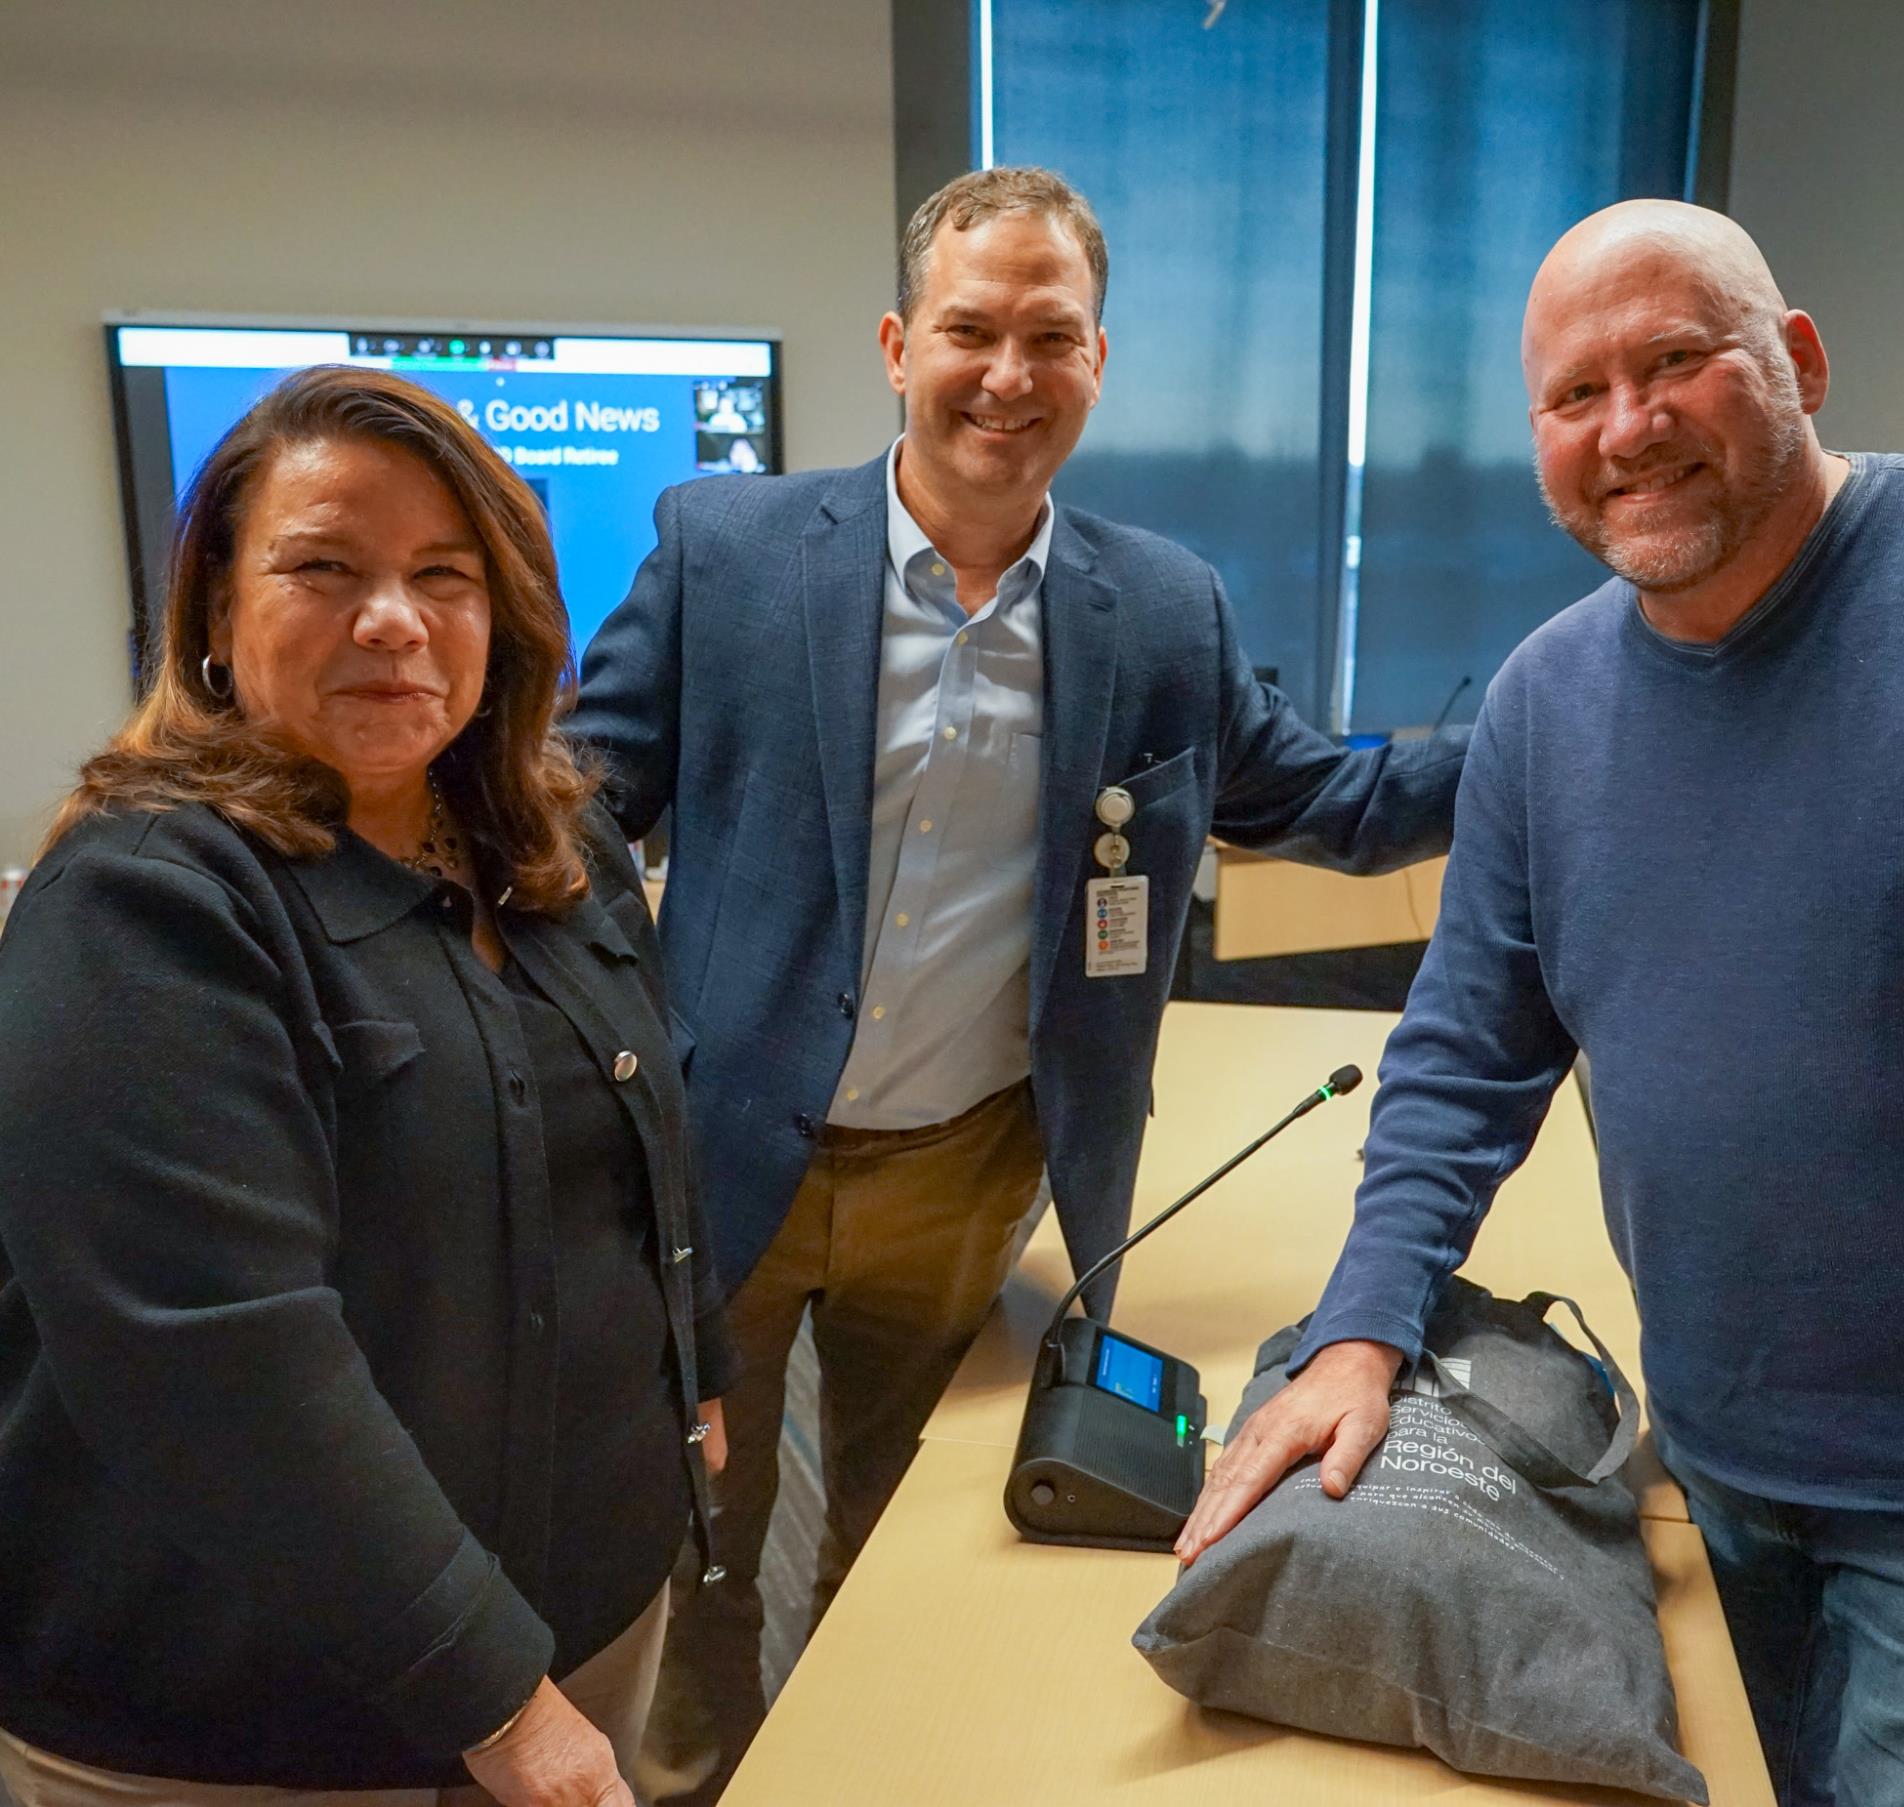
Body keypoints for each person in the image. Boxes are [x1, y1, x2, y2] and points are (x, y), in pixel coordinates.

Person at [568, 164, 1468, 1803]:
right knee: (696, 1534)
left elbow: (1322, 801)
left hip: (967, 1171)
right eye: (971, 331)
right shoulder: (732, 550)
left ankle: (858, 1765)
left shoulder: (1164, 607)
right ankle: (699, 1774)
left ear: (1098, 363)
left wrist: (1553, 729)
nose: (1008, 374)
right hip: (721, 1155)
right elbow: (581, 797)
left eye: (1050, 336)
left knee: (903, 1536)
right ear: (901, 345)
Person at [1176, 200, 1904, 1807]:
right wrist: (1361, 1325)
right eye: (1575, 395)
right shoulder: (1550, 701)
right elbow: (1469, 1054)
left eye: (1677, 361)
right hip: (1709, 1450)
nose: (1629, 429)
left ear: (1800, 362)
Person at [0, 366, 737, 1806]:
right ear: (215, 612)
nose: (393, 619)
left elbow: (650, 1138)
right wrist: (499, 1701)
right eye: (323, 568)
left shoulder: (551, 844)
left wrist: (695, 1365)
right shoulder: (145, 905)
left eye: (442, 576)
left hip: (581, 1622)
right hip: (268, 1717)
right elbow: (219, 1361)